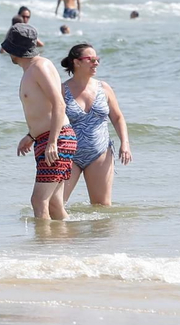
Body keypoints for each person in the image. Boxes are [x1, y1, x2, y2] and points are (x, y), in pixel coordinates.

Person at [2, 23, 75, 220]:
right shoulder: (33, 69)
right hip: (48, 137)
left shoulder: (39, 67)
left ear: (14, 50)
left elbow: (59, 104)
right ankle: (64, 244)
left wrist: (52, 142)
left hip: (56, 139)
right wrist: (31, 135)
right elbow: (44, 109)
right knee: (53, 202)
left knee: (39, 201)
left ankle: (45, 248)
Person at [54, 43, 133, 206]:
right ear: (76, 62)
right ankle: (61, 232)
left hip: (100, 153)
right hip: (70, 154)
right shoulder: (61, 90)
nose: (96, 63)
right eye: (90, 59)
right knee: (56, 205)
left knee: (101, 207)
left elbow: (118, 118)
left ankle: (99, 233)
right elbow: (51, 120)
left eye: (97, 59)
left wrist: (125, 143)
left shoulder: (103, 88)